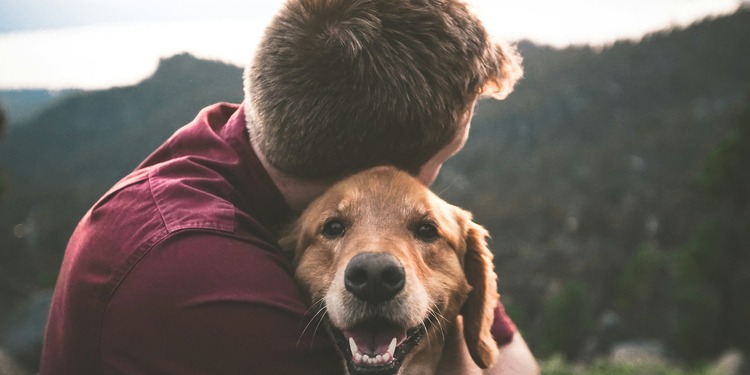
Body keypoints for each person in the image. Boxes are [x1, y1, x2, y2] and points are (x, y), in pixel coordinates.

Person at [40, 0, 538, 373]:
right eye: (443, 160)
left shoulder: (248, 141)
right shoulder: (200, 275)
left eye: (422, 222)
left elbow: (513, 361)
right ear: (377, 171)